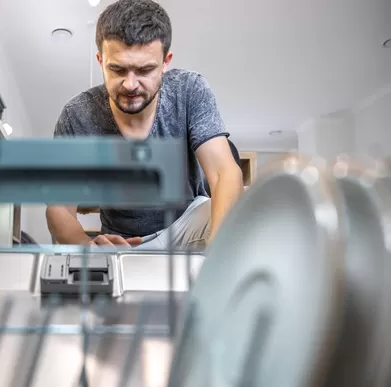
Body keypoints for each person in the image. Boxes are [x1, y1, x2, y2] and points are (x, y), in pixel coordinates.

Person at [46, 0, 243, 249]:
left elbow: (224, 172)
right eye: (117, 69)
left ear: (165, 62)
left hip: (186, 226)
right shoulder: (76, 116)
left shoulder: (189, 90)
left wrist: (217, 254)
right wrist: (87, 247)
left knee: (251, 206)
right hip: (122, 244)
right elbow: (59, 209)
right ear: (100, 61)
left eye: (145, 70)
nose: (130, 84)